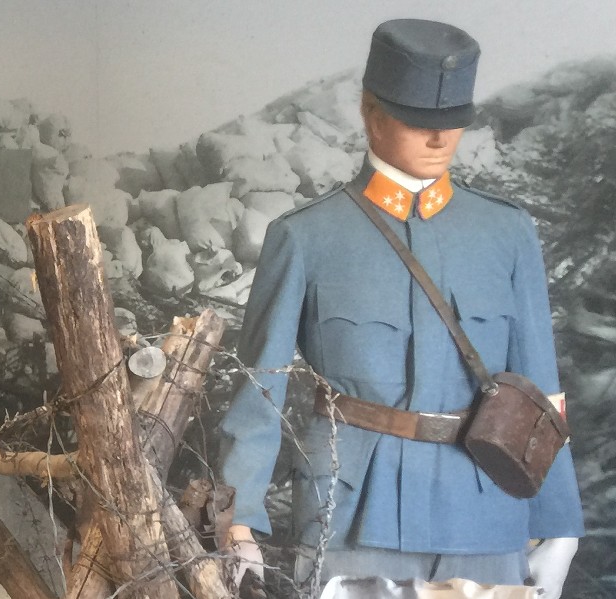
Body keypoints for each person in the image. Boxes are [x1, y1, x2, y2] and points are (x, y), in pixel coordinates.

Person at [217, 18, 583, 597]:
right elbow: (259, 388)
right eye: (419, 121)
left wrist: (559, 523)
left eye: (452, 122)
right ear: (372, 113)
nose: (439, 139)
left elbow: (540, 393)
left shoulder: (506, 233)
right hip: (353, 511)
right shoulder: (307, 237)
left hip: (485, 512)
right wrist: (238, 520)